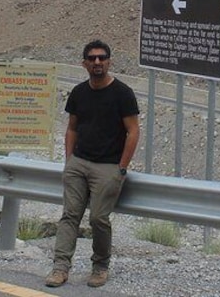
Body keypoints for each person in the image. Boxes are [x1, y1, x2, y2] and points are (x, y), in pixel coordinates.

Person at [45, 39, 140, 289]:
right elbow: (72, 128)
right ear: (84, 63)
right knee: (69, 215)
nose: (97, 62)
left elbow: (133, 131)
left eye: (102, 57)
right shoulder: (79, 92)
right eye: (92, 58)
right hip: (79, 163)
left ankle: (100, 266)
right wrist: (69, 161)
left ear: (109, 61)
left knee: (98, 218)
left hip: (108, 166)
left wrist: (121, 167)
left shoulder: (122, 93)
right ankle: (60, 267)